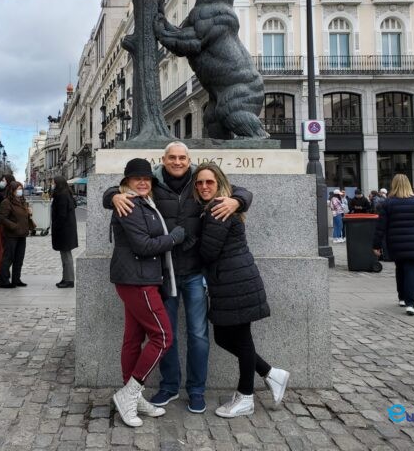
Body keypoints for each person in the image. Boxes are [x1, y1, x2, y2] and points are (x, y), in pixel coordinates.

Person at [104, 141, 252, 414]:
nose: (177, 162)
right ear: (163, 160)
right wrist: (112, 195)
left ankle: (196, 390)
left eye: (182, 158)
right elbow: (123, 188)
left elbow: (237, 189)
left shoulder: (199, 180)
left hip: (195, 272)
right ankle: (170, 386)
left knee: (198, 335)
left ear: (188, 159)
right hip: (165, 274)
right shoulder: (153, 183)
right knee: (166, 333)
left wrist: (237, 200)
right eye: (172, 157)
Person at [193, 163, 289, 417]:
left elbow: (207, 252)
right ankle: (271, 373)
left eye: (209, 182)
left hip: (235, 282)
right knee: (224, 338)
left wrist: (186, 238)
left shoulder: (217, 209)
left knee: (242, 340)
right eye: (199, 182)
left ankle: (246, 396)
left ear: (219, 183)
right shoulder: (219, 204)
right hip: (231, 281)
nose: (204, 186)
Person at [109, 158, 181, 428]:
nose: (142, 182)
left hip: (138, 277)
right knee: (162, 337)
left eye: (146, 178)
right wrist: (174, 238)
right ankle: (129, 393)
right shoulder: (129, 204)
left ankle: (133, 396)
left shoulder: (144, 201)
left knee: (133, 337)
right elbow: (142, 245)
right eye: (136, 178)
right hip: (137, 280)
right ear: (126, 181)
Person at [372, 174, 414, 316]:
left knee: (400, 269)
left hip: (396, 243)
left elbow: (380, 227)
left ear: (393, 185)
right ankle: (411, 303)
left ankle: (402, 298)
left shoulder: (388, 203)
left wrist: (376, 245)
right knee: (411, 271)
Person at [0, 180, 29, 288]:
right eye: (18, 189)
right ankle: (4, 281)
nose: (20, 191)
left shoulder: (22, 201)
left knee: (19, 258)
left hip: (22, 234)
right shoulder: (6, 202)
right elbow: (2, 218)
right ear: (12, 190)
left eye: (21, 189)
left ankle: (16, 279)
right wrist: (14, 226)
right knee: (8, 258)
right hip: (11, 235)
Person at [51, 175, 78, 288]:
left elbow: (61, 215)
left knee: (66, 256)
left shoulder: (62, 195)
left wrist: (56, 227)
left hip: (64, 231)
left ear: (58, 184)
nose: (52, 185)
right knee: (65, 255)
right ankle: (65, 278)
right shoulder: (66, 194)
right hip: (67, 230)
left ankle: (69, 280)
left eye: (54, 183)